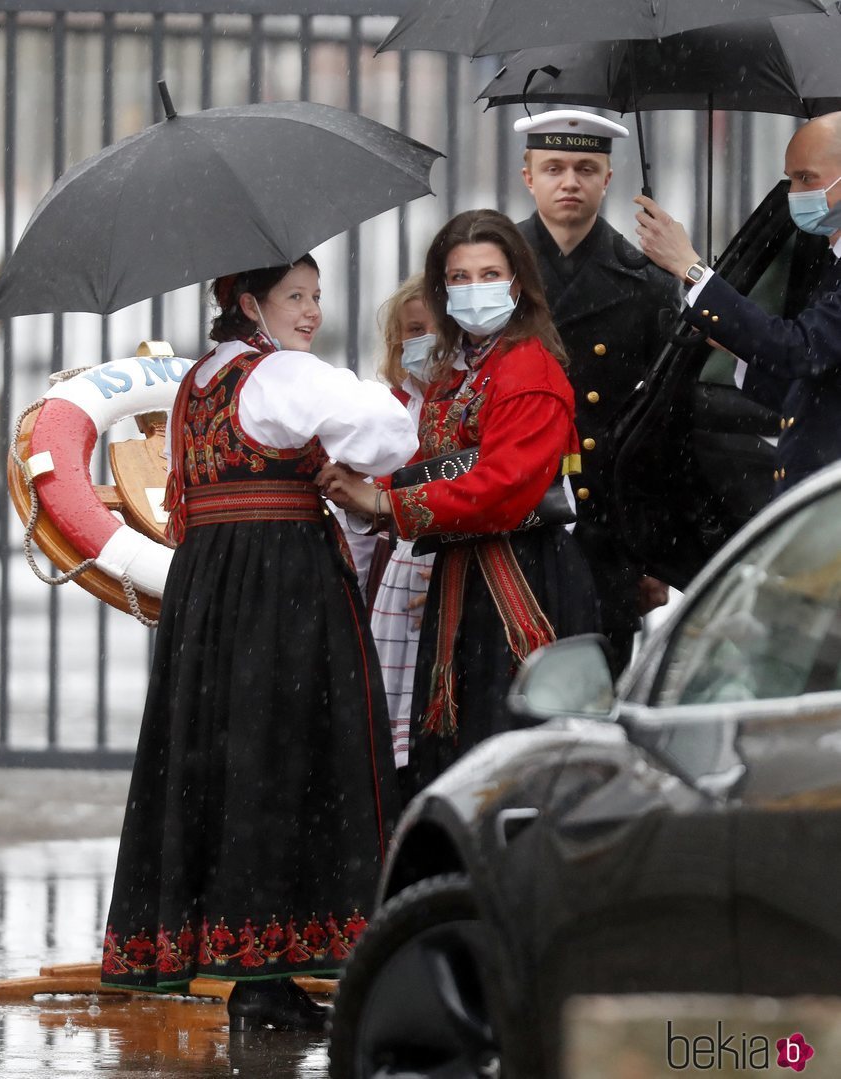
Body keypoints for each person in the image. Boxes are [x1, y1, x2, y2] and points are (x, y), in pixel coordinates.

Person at [100, 254, 418, 1032]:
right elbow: (391, 434)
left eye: (316, 296)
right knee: (291, 760)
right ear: (248, 301)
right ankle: (266, 978)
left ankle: (247, 971)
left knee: (222, 764)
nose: (310, 312)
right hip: (284, 586)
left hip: (209, 591)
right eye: (294, 297)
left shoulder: (195, 384)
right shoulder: (283, 377)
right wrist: (368, 400)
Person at [320, 210, 599, 795]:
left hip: (521, 580)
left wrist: (387, 505)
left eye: (489, 274)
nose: (475, 290)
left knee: (510, 748)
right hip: (463, 578)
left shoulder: (528, 369)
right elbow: (434, 466)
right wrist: (366, 487)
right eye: (460, 277)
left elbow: (503, 487)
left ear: (517, 284)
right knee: (460, 751)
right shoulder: (463, 370)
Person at [514, 110, 679, 674]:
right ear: (527, 176)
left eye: (586, 168)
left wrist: (652, 555)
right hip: (511, 520)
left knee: (593, 707)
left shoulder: (647, 282)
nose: (570, 182)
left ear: (608, 179)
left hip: (606, 532)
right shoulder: (490, 274)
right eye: (553, 167)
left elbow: (663, 427)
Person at [634, 111, 841, 494]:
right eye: (791, 178)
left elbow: (798, 349)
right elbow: (814, 393)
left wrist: (690, 268)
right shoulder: (831, 264)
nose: (794, 195)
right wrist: (732, 343)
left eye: (806, 178)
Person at [369, 273, 438, 771]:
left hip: (456, 566)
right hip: (398, 572)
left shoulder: (477, 405)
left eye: (437, 329)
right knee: (391, 714)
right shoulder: (381, 411)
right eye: (414, 330)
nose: (427, 343)